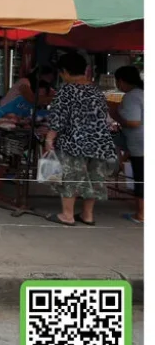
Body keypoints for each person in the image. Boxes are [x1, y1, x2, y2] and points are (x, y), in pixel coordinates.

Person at [43, 53, 118, 227]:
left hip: (74, 142)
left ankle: (67, 215)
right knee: (94, 178)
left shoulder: (67, 90)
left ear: (65, 71)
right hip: (99, 143)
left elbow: (58, 118)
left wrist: (49, 138)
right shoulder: (96, 90)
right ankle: (87, 214)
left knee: (71, 176)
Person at [114, 66, 143, 224]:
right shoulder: (142, 93)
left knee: (141, 178)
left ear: (122, 81)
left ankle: (141, 214)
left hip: (140, 144)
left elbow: (133, 121)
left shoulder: (132, 96)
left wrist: (115, 114)